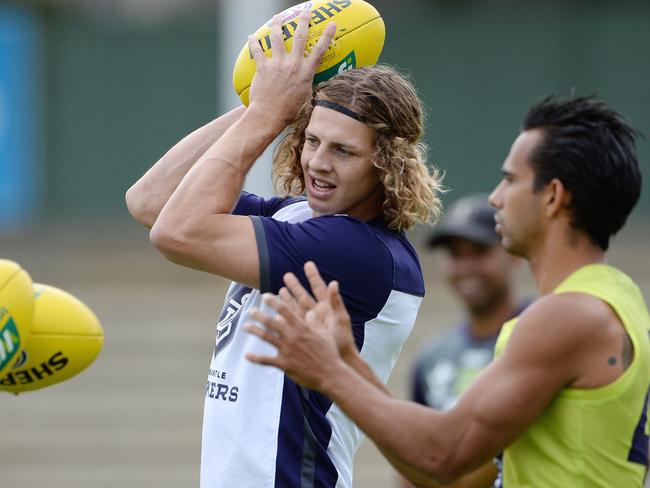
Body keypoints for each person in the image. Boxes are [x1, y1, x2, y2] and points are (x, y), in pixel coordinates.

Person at [246, 96, 649, 487]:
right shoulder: (617, 298)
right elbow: (438, 467)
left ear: (553, 196)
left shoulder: (566, 317)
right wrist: (348, 361)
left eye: (510, 179)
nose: (496, 198)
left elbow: (442, 456)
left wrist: (329, 373)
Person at [125, 10, 442, 488]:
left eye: (343, 150)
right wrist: (265, 103)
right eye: (311, 139)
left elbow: (177, 233)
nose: (317, 161)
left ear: (387, 166)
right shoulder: (297, 218)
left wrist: (267, 115)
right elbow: (150, 200)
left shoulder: (358, 251)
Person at [402, 194, 525, 488]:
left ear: (513, 254)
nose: (466, 267)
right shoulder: (432, 357)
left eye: (479, 251)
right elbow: (413, 464)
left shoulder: (538, 333)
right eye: (456, 254)